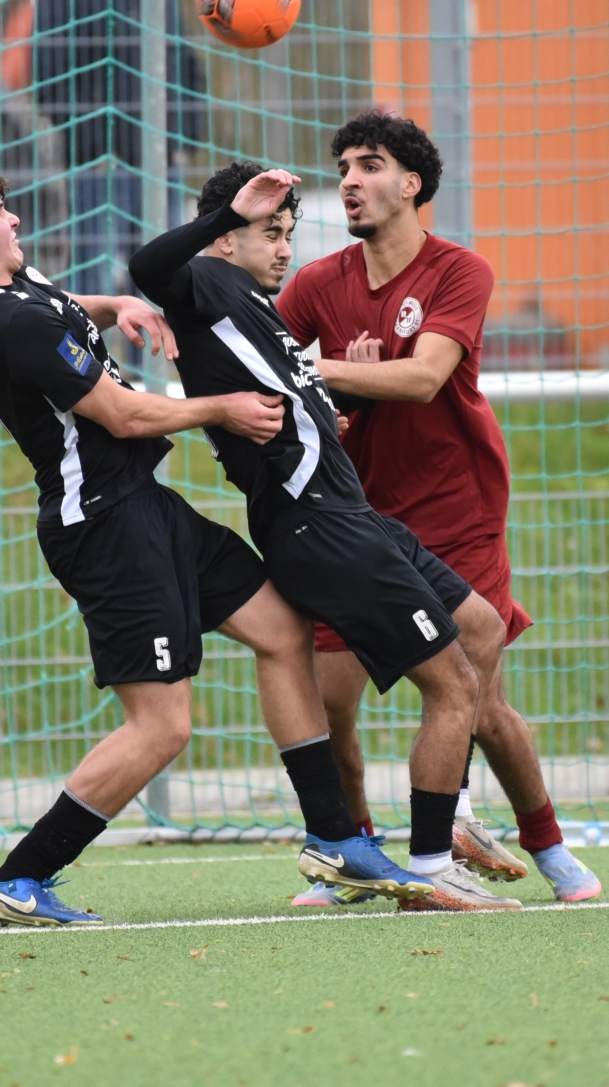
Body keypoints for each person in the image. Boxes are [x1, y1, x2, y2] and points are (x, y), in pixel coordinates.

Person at [0, 155, 418, 924]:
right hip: (105, 527)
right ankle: (19, 878)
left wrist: (114, 306)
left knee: (283, 630)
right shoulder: (12, 322)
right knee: (162, 727)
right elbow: (125, 415)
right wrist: (223, 408)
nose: (14, 216)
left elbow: (59, 307)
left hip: (144, 506)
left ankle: (335, 839)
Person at [130, 162, 520, 912]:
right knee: (452, 686)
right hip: (320, 525)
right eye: (269, 233)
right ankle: (432, 863)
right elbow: (149, 266)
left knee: (481, 627)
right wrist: (226, 217)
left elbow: (292, 404)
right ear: (225, 239)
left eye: (288, 234)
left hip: (350, 515)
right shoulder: (208, 282)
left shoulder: (258, 308)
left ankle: (405, 841)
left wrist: (334, 411)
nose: (285, 249)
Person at [274, 120, 603, 906]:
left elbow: (422, 379)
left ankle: (546, 845)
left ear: (411, 184)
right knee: (330, 705)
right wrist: (330, 401)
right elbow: (267, 375)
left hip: (459, 511)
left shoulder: (460, 271)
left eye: (370, 165)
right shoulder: (317, 283)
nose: (349, 180)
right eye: (343, 167)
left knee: (478, 703)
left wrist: (324, 374)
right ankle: (359, 855)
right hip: (357, 519)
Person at [31, 0, 205, 299]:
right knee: (93, 279)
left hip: (161, 167)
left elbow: (188, 69)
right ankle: (90, 338)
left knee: (162, 276)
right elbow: (49, 83)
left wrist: (184, 142)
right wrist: (95, 146)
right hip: (95, 169)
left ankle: (153, 339)